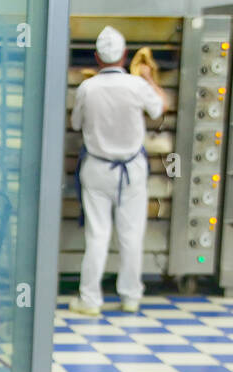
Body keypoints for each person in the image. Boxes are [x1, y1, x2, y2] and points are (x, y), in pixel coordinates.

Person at [68, 26, 165, 317]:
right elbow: (159, 109)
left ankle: (90, 299)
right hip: (131, 169)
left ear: (97, 58)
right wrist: (149, 78)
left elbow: (75, 124)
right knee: (131, 235)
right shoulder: (137, 86)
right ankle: (130, 296)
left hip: (97, 168)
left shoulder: (87, 88)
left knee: (97, 236)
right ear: (124, 56)